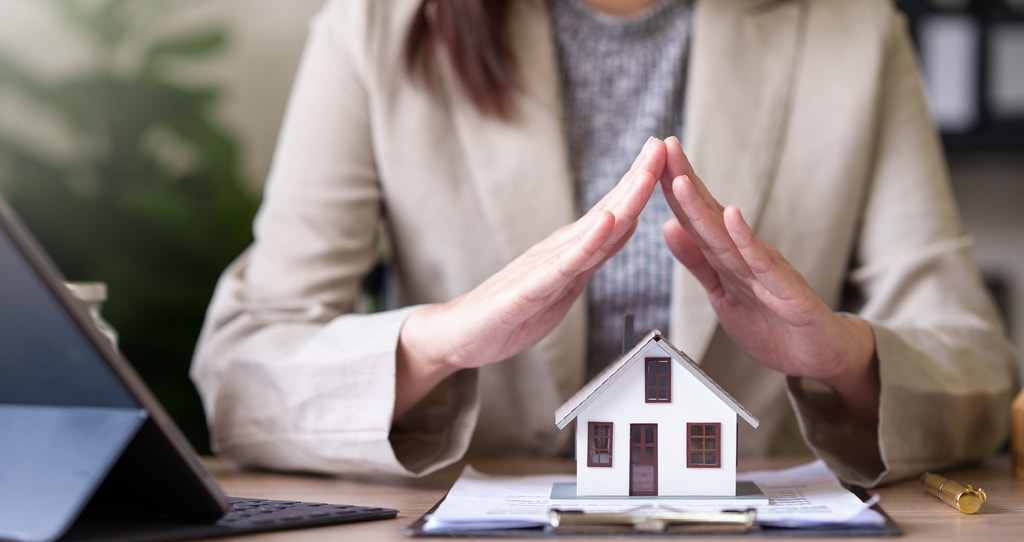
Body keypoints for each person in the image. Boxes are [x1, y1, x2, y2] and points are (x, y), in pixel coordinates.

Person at [191, 0, 1020, 489]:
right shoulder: (377, 25)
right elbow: (240, 369)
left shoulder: (853, 28)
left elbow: (977, 367)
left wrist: (842, 356)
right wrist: (437, 341)